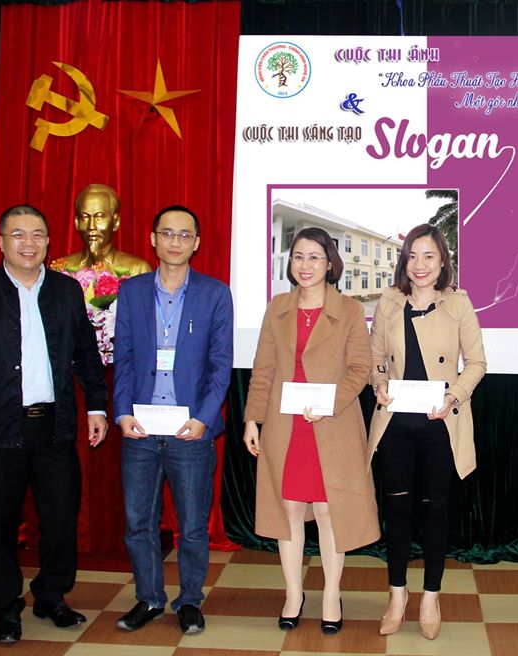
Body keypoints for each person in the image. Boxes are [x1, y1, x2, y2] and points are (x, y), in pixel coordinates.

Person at [0, 205, 108, 644]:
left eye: (37, 235)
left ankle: (51, 596)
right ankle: (6, 608)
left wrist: (97, 406)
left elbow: (86, 354)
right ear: (0, 242)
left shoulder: (66, 292)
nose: (28, 243)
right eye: (18, 234)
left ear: (48, 242)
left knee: (60, 518)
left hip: (54, 427)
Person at [243, 227, 379, 635]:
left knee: (327, 511)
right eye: (298, 257)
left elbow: (361, 369)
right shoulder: (278, 307)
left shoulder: (349, 310)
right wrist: (252, 419)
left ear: (330, 263)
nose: (305, 265)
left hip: (332, 424)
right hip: (286, 425)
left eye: (315, 257)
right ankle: (293, 594)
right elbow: (263, 368)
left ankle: (332, 594)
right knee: (288, 509)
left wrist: (329, 403)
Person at [112, 205, 233, 635]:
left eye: (184, 235)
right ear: (153, 239)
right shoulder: (132, 292)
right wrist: (121, 412)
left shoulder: (215, 294)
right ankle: (148, 597)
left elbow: (221, 366)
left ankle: (189, 600)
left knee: (193, 525)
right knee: (138, 524)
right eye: (167, 233)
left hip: (190, 431)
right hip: (141, 428)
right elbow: (124, 358)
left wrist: (204, 419)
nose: (175, 242)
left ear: (196, 243)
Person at [367, 223, 486, 640]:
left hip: (440, 423)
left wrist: (453, 396)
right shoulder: (389, 301)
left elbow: (477, 363)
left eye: (429, 256)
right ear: (404, 261)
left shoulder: (459, 304)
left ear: (442, 262)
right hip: (396, 424)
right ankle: (397, 595)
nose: (420, 265)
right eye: (413, 256)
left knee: (436, 512)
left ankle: (431, 596)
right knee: (397, 511)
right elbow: (375, 358)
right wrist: (379, 383)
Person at [50, 183, 152, 276]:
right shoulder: (61, 268)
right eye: (85, 217)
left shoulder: (137, 269)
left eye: (99, 217)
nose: (91, 226)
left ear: (115, 222)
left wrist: (99, 263)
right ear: (76, 223)